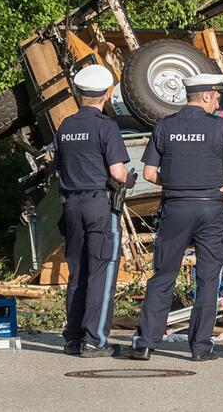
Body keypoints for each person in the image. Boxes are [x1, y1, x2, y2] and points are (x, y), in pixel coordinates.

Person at [124, 73, 223, 362]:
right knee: (209, 279)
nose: (217, 101)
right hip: (211, 209)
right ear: (204, 96)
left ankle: (146, 344)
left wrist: (177, 181)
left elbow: (149, 174)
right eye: (216, 96)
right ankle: (200, 347)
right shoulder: (220, 127)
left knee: (163, 275)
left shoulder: (165, 126)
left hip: (175, 207)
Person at [54, 64, 133, 358]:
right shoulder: (106, 126)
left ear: (79, 93)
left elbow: (59, 168)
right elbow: (118, 171)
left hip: (71, 205)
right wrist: (128, 178)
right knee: (103, 271)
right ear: (106, 94)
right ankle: (94, 341)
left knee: (78, 272)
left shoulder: (65, 126)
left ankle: (73, 338)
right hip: (99, 204)